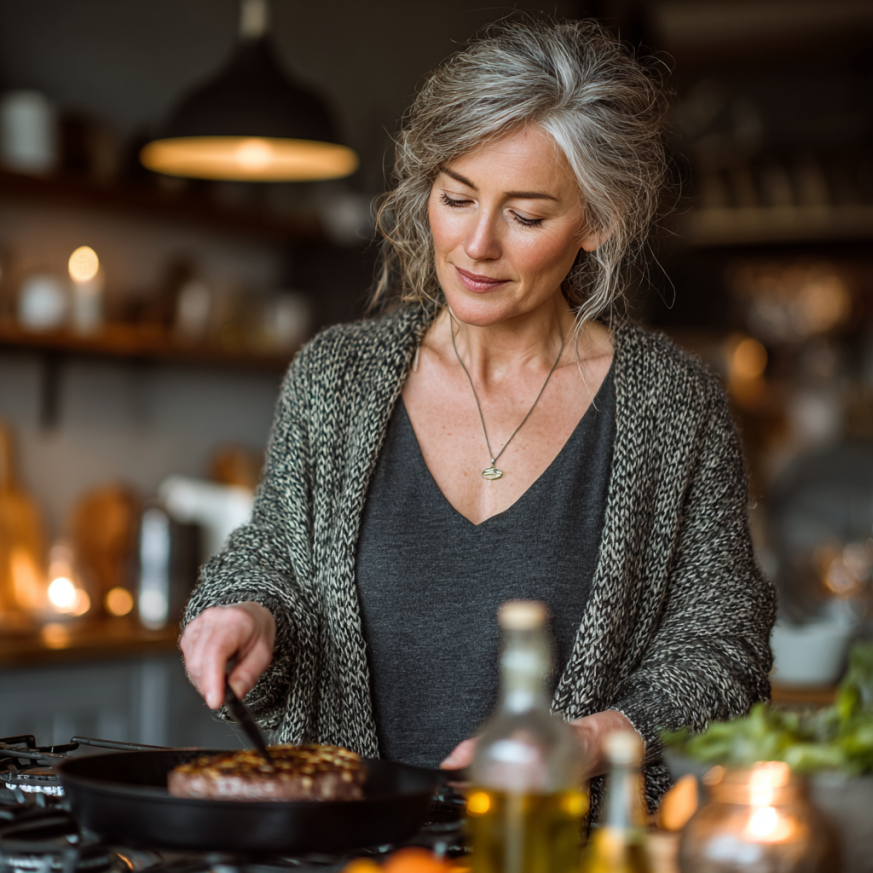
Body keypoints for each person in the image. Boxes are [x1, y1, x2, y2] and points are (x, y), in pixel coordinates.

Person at [180, 18, 775, 815]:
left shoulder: (673, 406)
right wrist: (245, 613)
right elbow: (275, 559)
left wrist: (598, 739)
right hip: (348, 854)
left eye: (526, 216)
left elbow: (722, 651)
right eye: (456, 197)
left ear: (596, 222)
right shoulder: (335, 378)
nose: (476, 245)